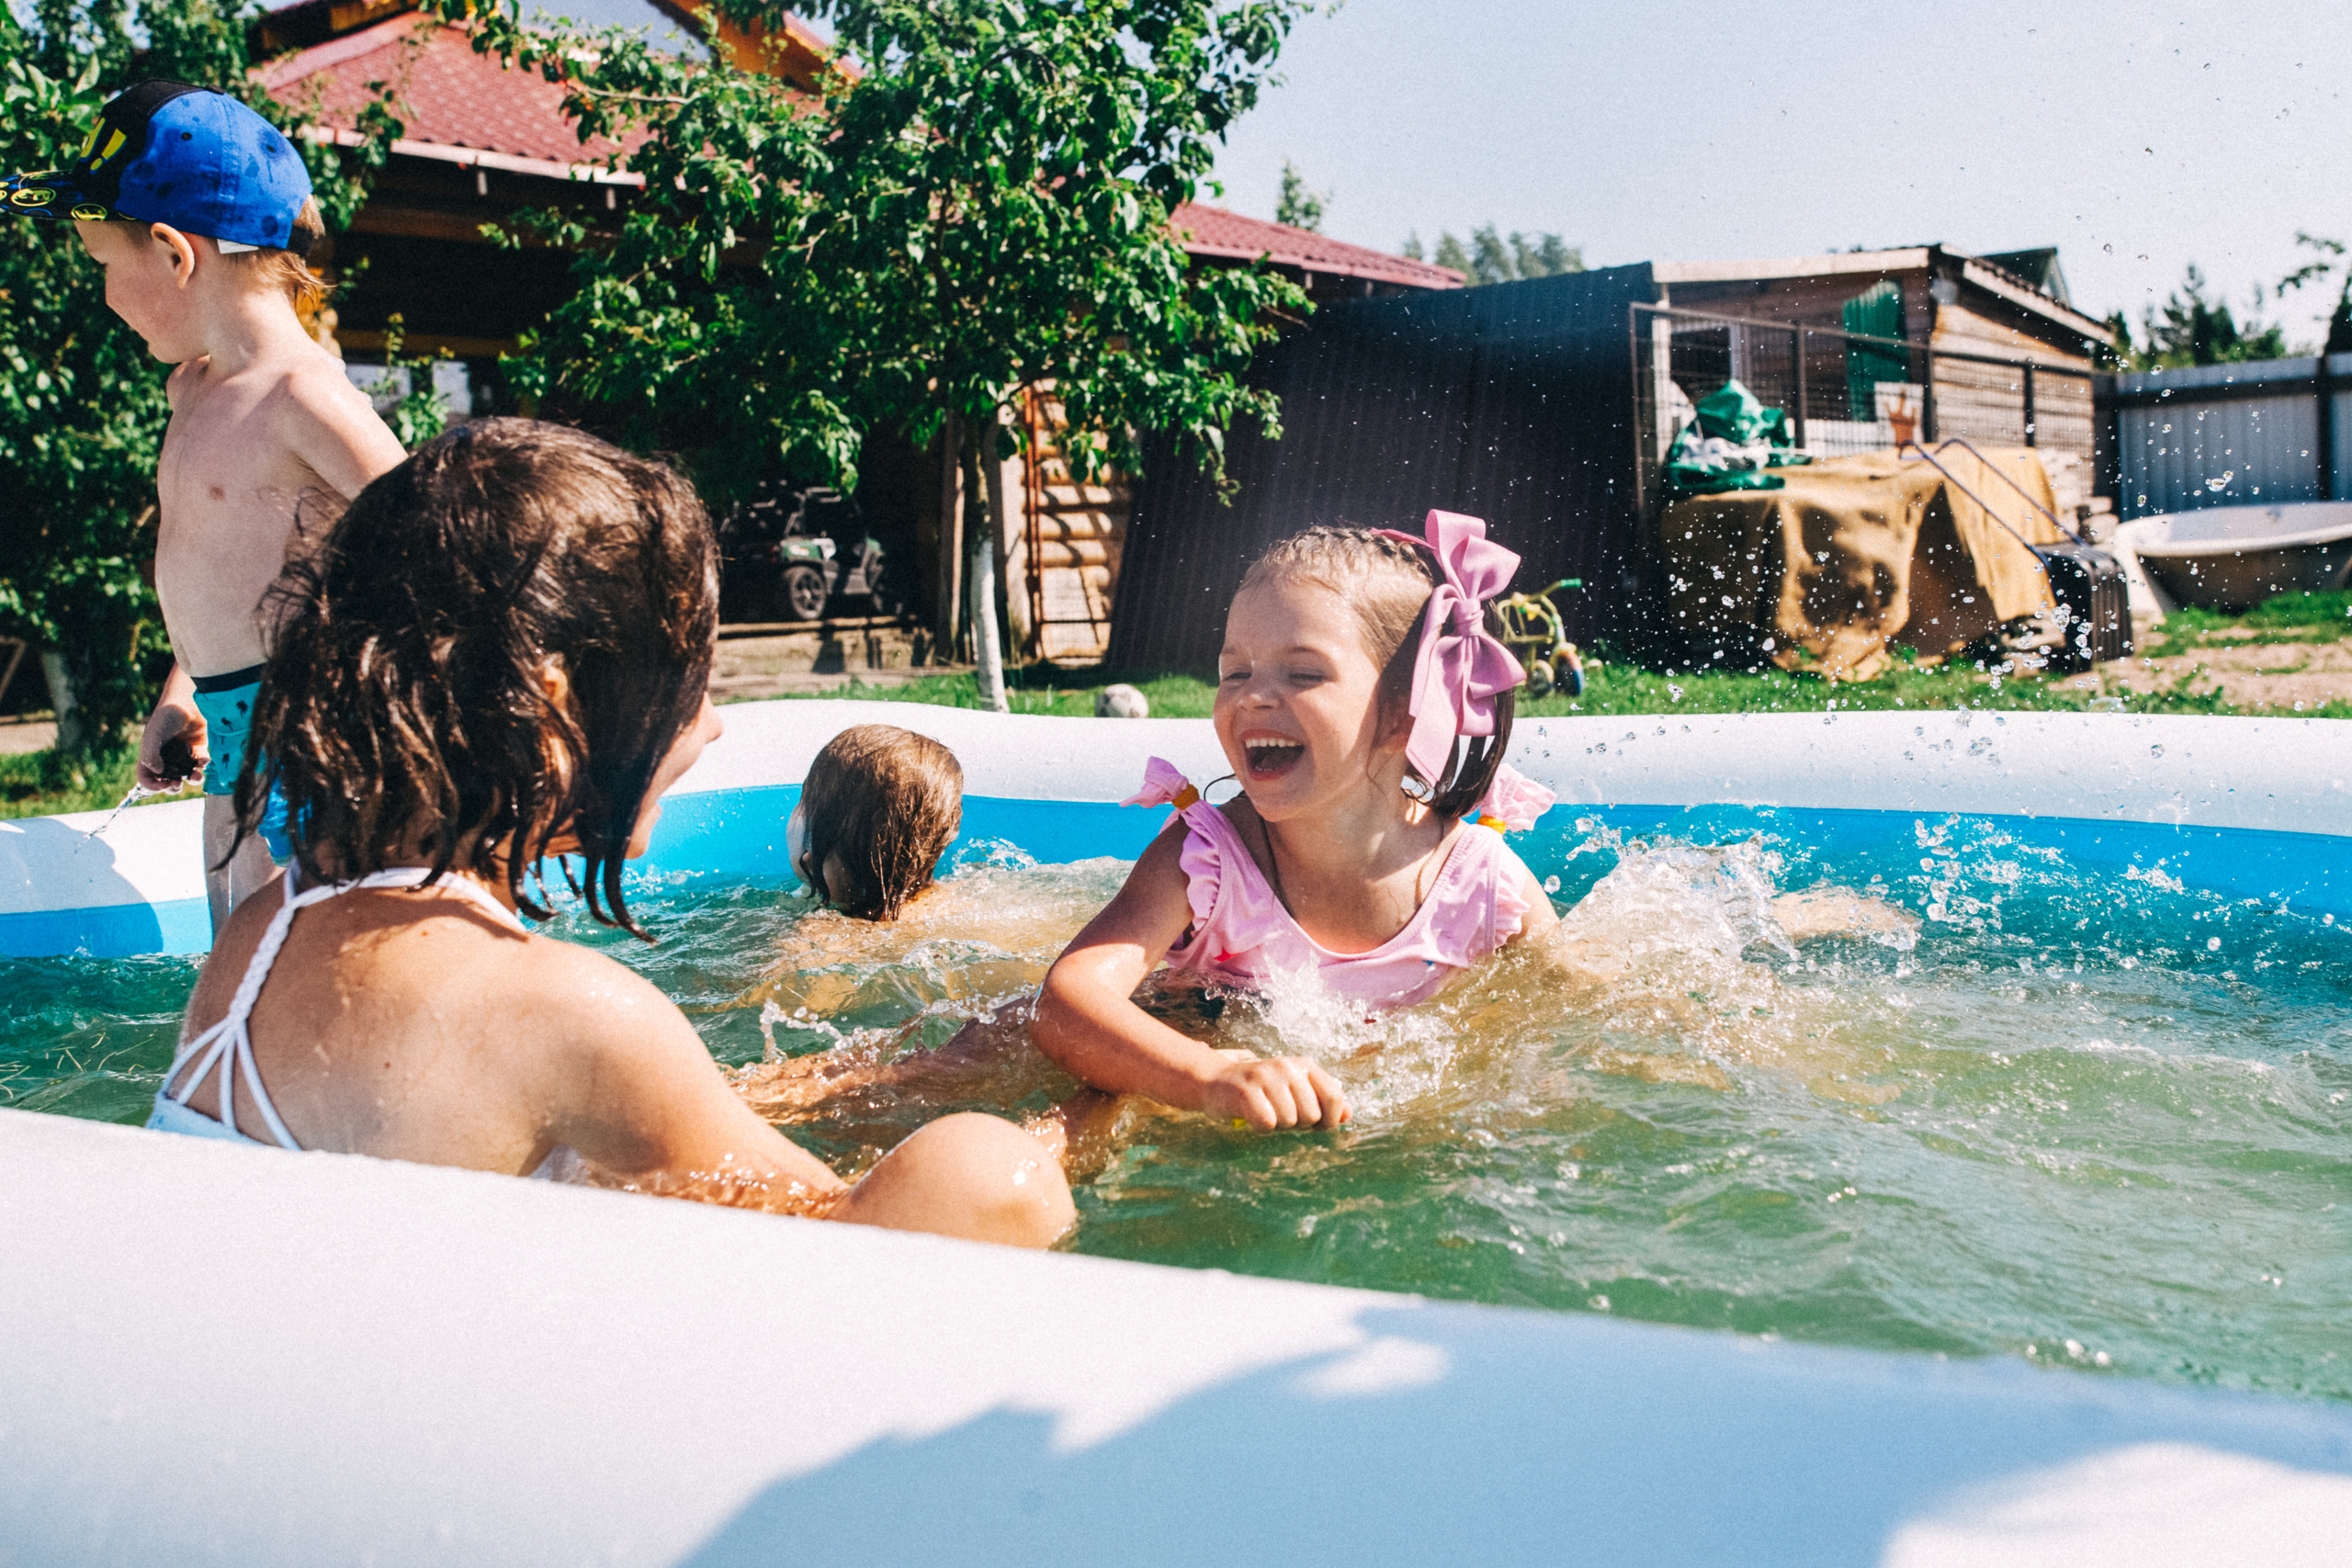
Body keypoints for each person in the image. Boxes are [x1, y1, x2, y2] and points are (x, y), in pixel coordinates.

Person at [147, 420, 1073, 1248]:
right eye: (685, 684)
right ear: (553, 714)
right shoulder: (568, 1014)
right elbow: (862, 1236)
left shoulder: (263, 928)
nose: (708, 726)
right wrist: (1083, 1123)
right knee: (994, 1174)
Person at [6, 82, 407, 926]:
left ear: (173, 253)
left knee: (305, 986)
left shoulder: (303, 397)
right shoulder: (192, 389)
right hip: (234, 745)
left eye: (104, 267)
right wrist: (183, 689)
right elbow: (225, 570)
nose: (105, 293)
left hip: (315, 747)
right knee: (237, 972)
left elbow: (437, 534)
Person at [1033, 512, 1561, 1133]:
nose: (1252, 695)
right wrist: (1207, 1075)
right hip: (1194, 1101)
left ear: (1404, 717)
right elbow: (1064, 1003)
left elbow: (1580, 1015)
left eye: (1303, 672)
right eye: (1234, 672)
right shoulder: (1207, 863)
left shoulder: (1485, 887)